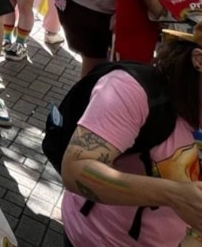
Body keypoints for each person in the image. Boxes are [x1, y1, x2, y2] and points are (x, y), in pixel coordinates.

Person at [59, 27, 202, 247]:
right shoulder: (132, 90)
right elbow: (76, 169)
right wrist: (174, 195)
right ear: (199, 60)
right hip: (100, 239)